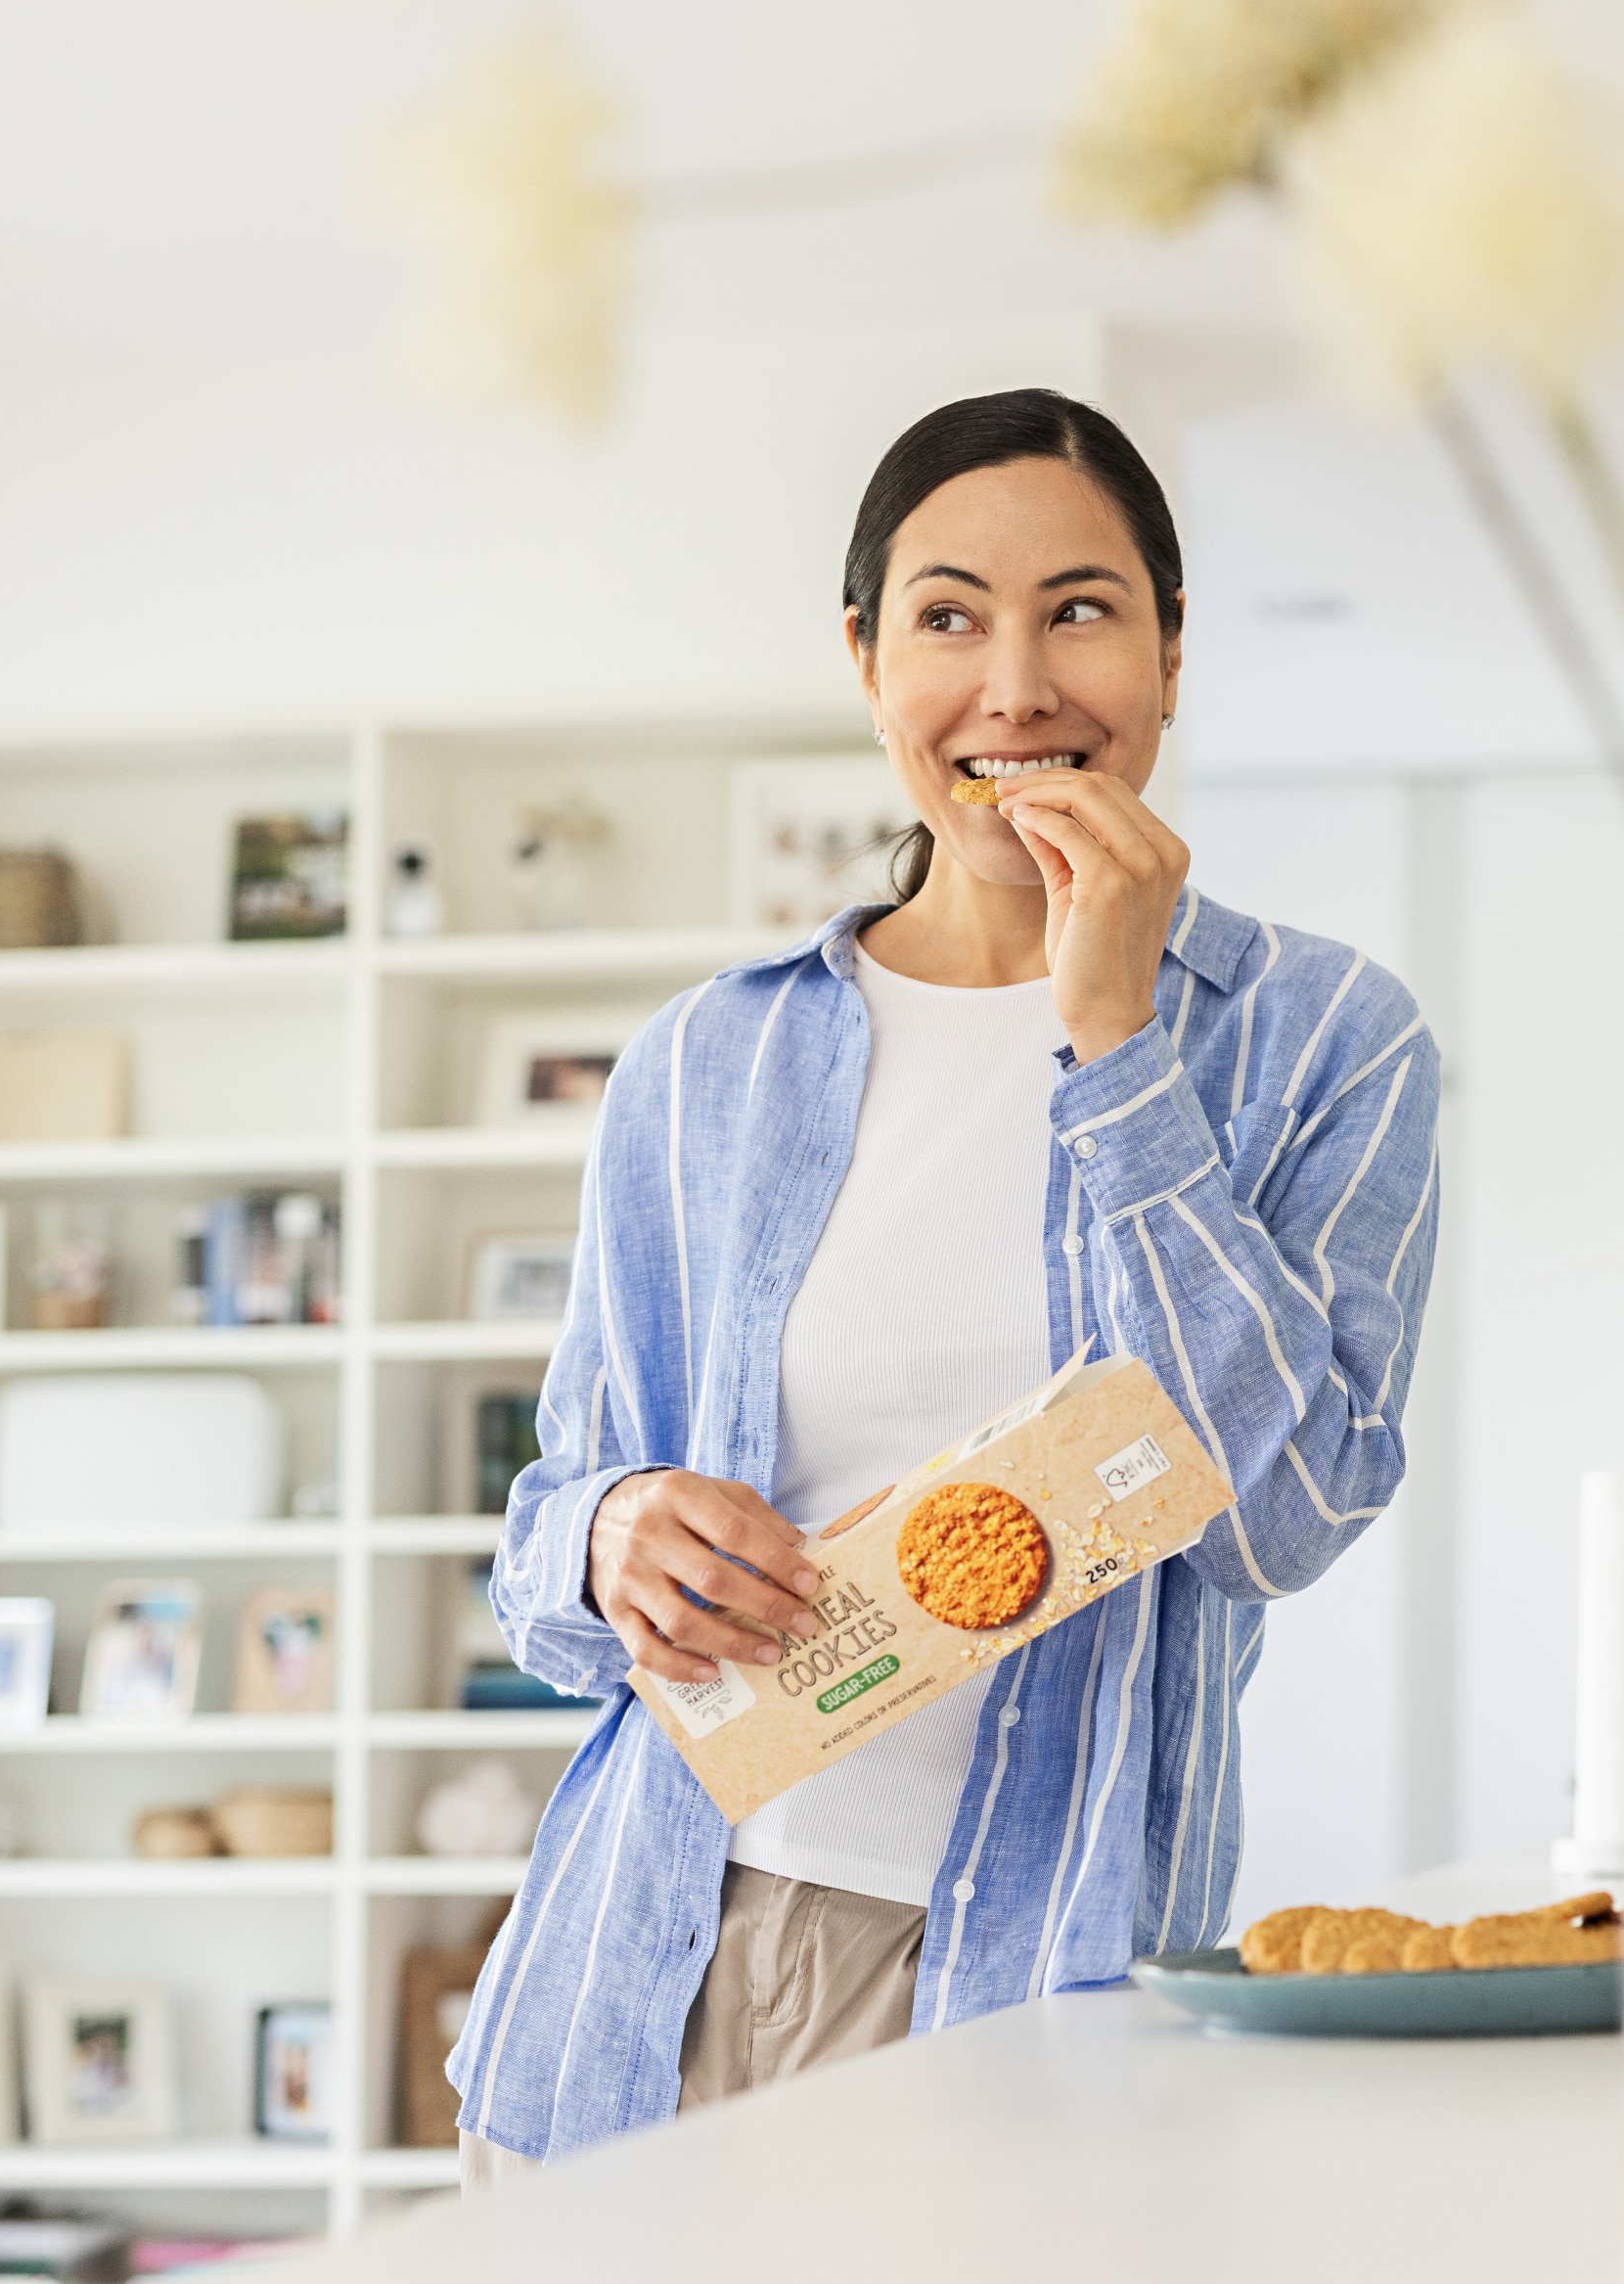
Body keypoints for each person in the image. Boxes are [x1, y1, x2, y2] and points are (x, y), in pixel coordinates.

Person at [445, 388, 1441, 2181]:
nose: (1017, 687)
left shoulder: (1321, 1040)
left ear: (1170, 649)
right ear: (865, 656)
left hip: (1036, 1997)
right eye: (949, 616)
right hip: (637, 1970)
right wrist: (609, 1537)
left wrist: (1118, 1043)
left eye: (1080, 609)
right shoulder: (704, 1066)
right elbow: (539, 1564)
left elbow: (1283, 1515)